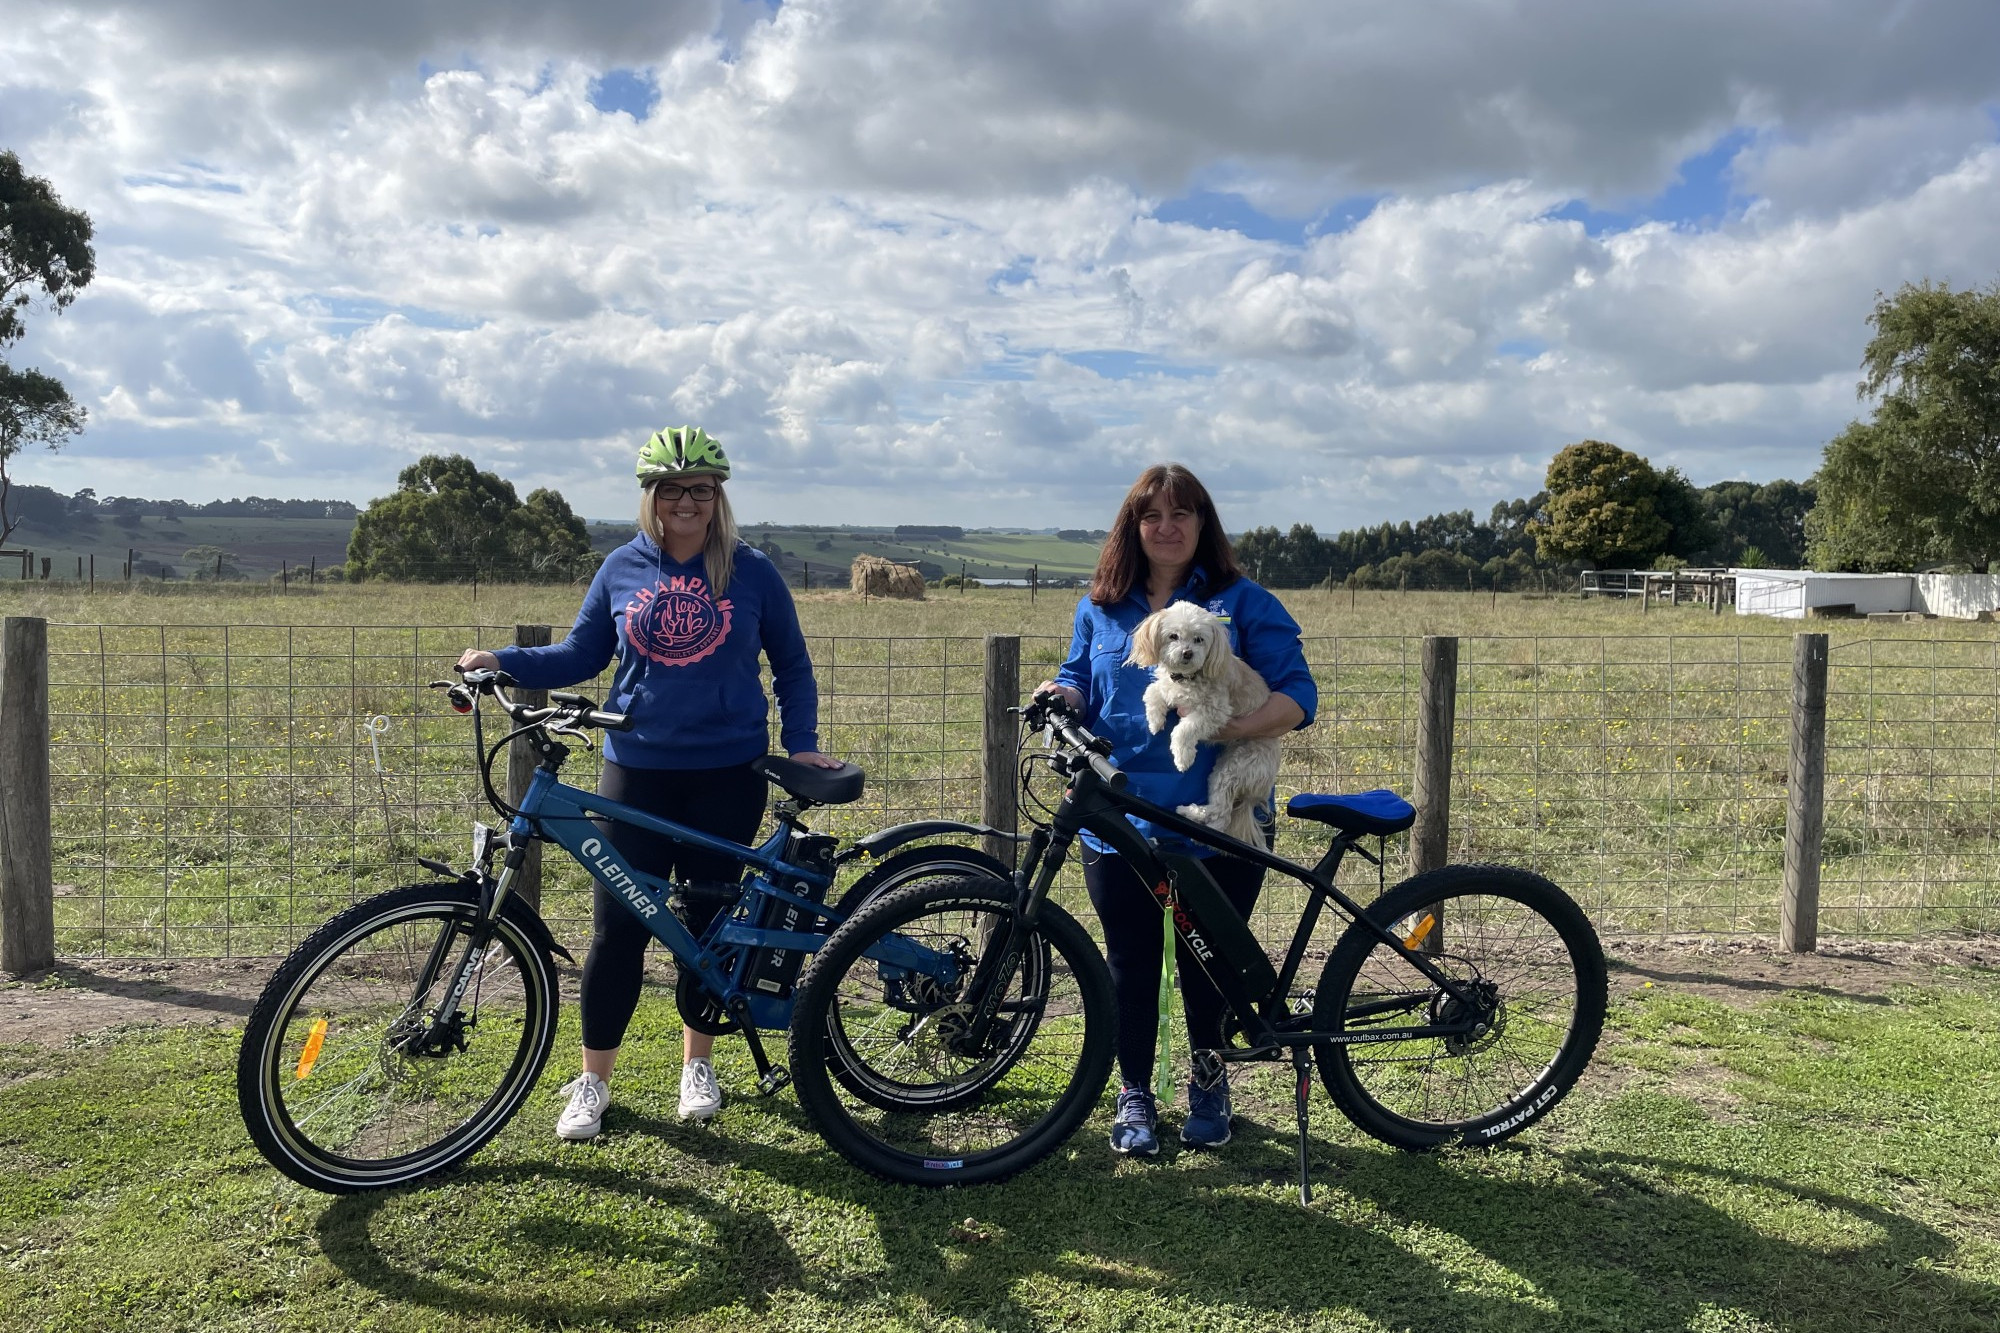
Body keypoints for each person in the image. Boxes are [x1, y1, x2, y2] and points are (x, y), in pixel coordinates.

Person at [456, 425, 843, 1142]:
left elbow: (791, 664)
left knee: (706, 930)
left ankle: (697, 1064)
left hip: (728, 775)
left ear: (717, 497)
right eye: (672, 489)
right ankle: (593, 1079)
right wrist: (500, 660)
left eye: (700, 489)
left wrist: (804, 746)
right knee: (618, 931)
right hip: (636, 772)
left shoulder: (752, 571)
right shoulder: (622, 567)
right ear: (651, 498)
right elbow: (581, 651)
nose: (686, 501)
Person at [1039, 463, 1316, 1156]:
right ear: (1132, 526)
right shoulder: (1100, 605)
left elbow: (1297, 695)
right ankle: (1135, 1092)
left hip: (1219, 822)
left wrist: (1231, 729)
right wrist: (1060, 692)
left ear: (1202, 524)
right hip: (1119, 820)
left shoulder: (1243, 604)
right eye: (1151, 515)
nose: (1167, 527)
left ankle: (1208, 1079)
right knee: (1129, 961)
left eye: (1182, 514)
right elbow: (1079, 676)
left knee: (1210, 965)